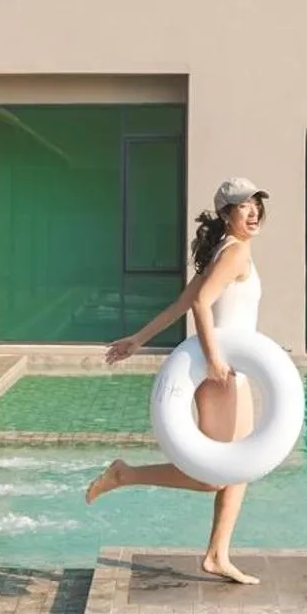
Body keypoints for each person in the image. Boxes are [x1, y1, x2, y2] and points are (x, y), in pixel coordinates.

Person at [87, 177, 269, 585]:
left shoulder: (226, 252)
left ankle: (217, 554)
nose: (253, 211)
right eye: (243, 206)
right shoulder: (236, 252)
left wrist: (138, 339)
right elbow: (201, 305)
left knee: (241, 469)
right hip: (221, 374)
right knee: (213, 477)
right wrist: (215, 359)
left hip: (232, 373)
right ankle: (125, 474)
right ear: (227, 214)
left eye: (256, 203)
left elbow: (180, 305)